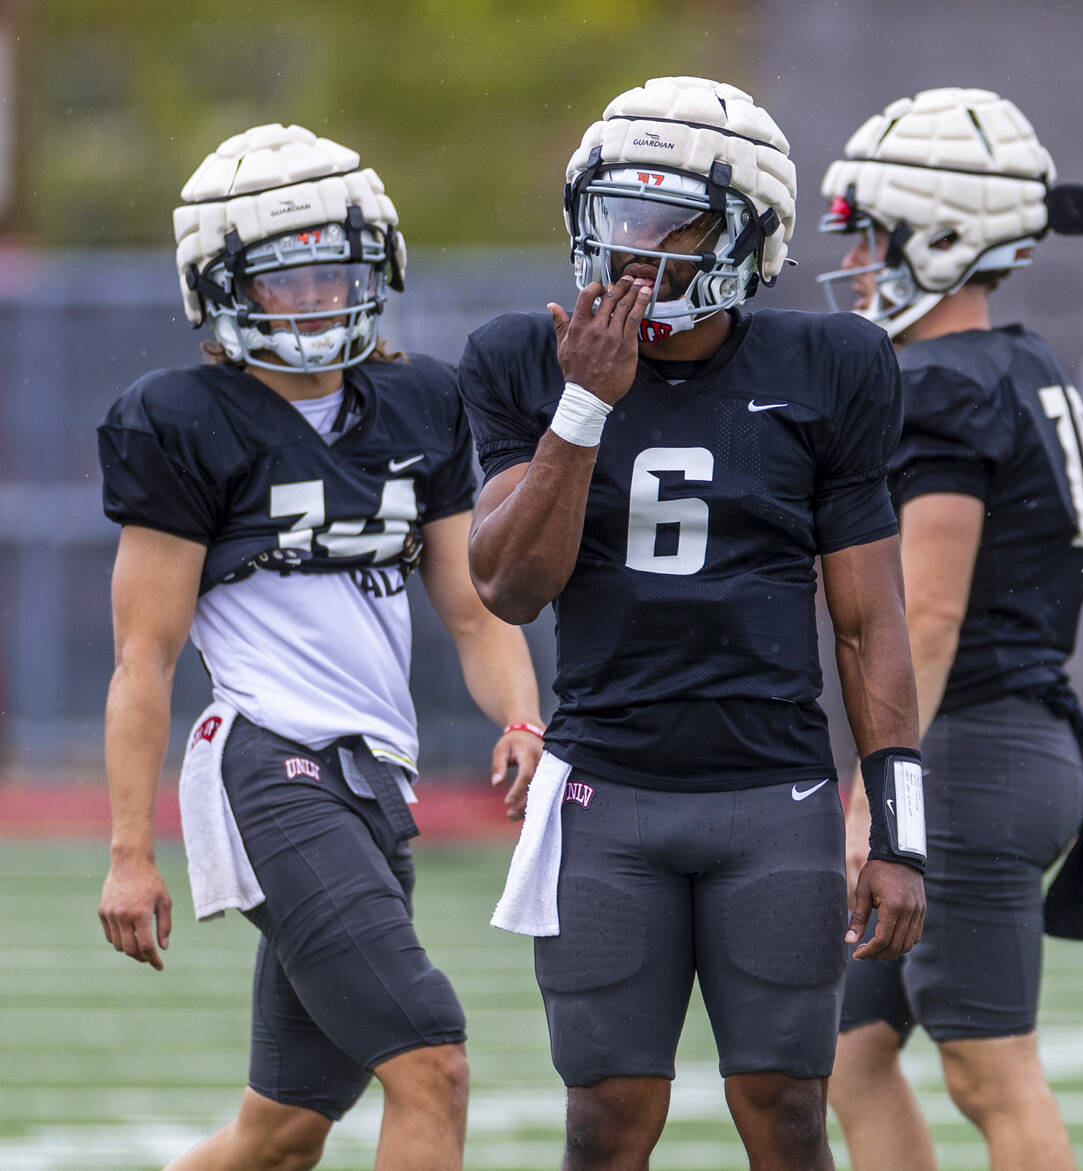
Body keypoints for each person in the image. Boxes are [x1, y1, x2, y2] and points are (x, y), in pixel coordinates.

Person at [456, 76, 926, 1171]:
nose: (636, 251)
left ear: (749, 235)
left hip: (775, 793)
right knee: (605, 1120)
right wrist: (584, 406)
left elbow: (869, 618)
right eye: (619, 215)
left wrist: (899, 827)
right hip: (604, 790)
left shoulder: (835, 364)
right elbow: (509, 585)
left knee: (789, 1111)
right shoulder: (525, 357)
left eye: (676, 225)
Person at [95, 123, 543, 1171]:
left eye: (335, 271)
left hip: (372, 775)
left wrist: (522, 714)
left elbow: (474, 610)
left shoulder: (420, 402)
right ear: (219, 285)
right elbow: (143, 660)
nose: (315, 298)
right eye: (285, 279)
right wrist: (127, 850)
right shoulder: (179, 419)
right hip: (268, 759)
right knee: (431, 1057)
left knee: (283, 1131)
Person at [815, 87, 1083, 1170]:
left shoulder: (939, 384)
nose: (851, 258)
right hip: (1006, 736)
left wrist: (872, 798)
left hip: (971, 750)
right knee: (846, 1053)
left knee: (992, 1070)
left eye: (869, 235)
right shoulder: (1020, 362)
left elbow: (927, 613)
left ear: (941, 236)